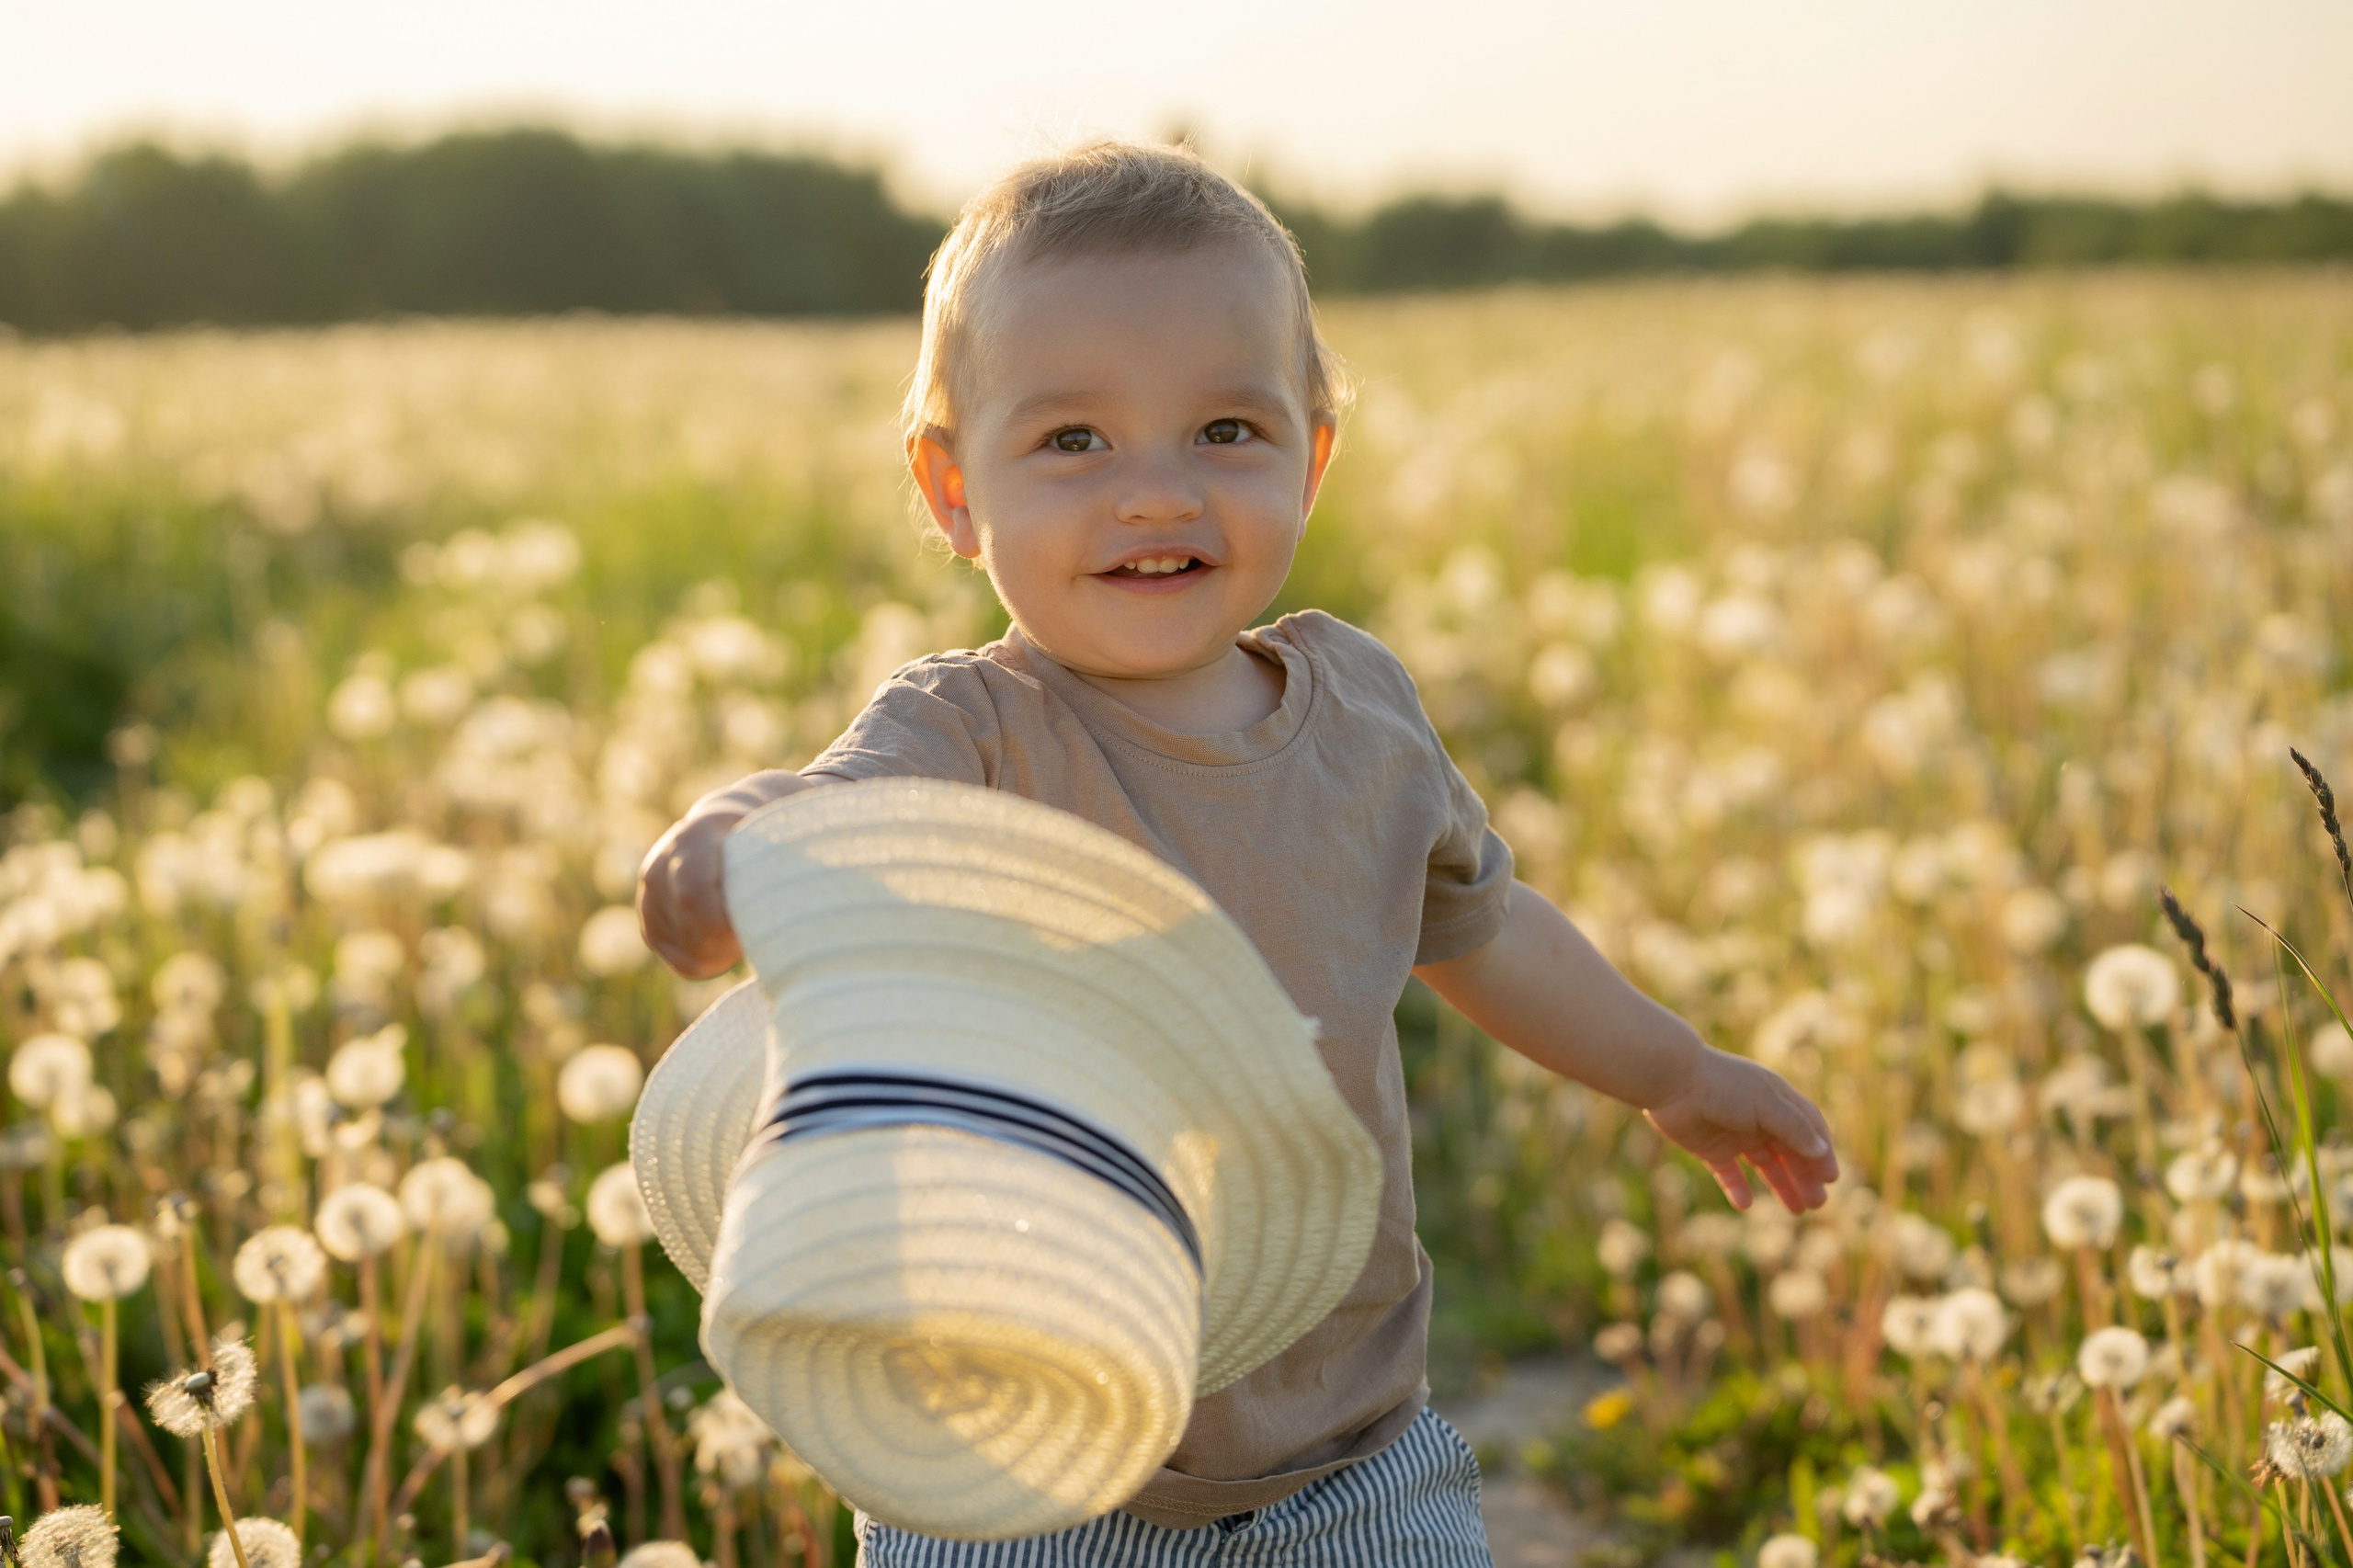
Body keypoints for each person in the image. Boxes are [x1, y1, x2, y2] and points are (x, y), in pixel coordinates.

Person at [638, 139, 1837, 1567]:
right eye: (1073, 440)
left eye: (1225, 431)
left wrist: (1675, 1070)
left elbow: (1484, 928)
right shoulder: (970, 733)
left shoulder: (1366, 719)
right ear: (954, 490)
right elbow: (822, 809)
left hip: (1354, 1455)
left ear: (1312, 457)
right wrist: (730, 840)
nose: (1155, 492)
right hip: (1022, 1472)